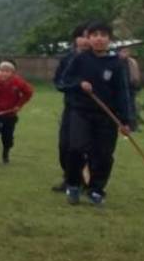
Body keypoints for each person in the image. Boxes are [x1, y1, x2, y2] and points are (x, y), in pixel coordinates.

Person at [57, 21, 131, 206]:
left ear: (110, 39)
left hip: (106, 116)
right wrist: (79, 84)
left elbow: (122, 92)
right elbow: (64, 82)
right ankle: (73, 185)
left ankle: (96, 190)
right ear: (88, 38)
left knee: (103, 155)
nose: (99, 38)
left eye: (103, 35)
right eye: (94, 34)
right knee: (76, 148)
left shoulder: (116, 64)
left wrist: (125, 120)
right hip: (80, 112)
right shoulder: (80, 59)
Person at [51, 23, 91, 192]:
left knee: (81, 147)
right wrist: (77, 86)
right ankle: (69, 178)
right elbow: (59, 83)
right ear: (75, 39)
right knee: (64, 146)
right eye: (81, 35)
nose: (84, 40)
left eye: (88, 36)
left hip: (91, 110)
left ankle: (84, 181)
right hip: (71, 107)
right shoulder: (68, 59)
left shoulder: (99, 60)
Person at [0, 62, 34, 165]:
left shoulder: (18, 82)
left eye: (7, 71)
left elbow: (29, 92)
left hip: (10, 116)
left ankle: (5, 155)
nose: (4, 73)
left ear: (12, 73)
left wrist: (19, 105)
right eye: (2, 70)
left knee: (7, 138)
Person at [118, 46, 141, 131]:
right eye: (123, 51)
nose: (126, 53)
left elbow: (136, 74)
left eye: (127, 51)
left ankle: (134, 125)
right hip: (120, 89)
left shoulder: (132, 62)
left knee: (133, 106)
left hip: (131, 87)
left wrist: (137, 85)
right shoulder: (117, 62)